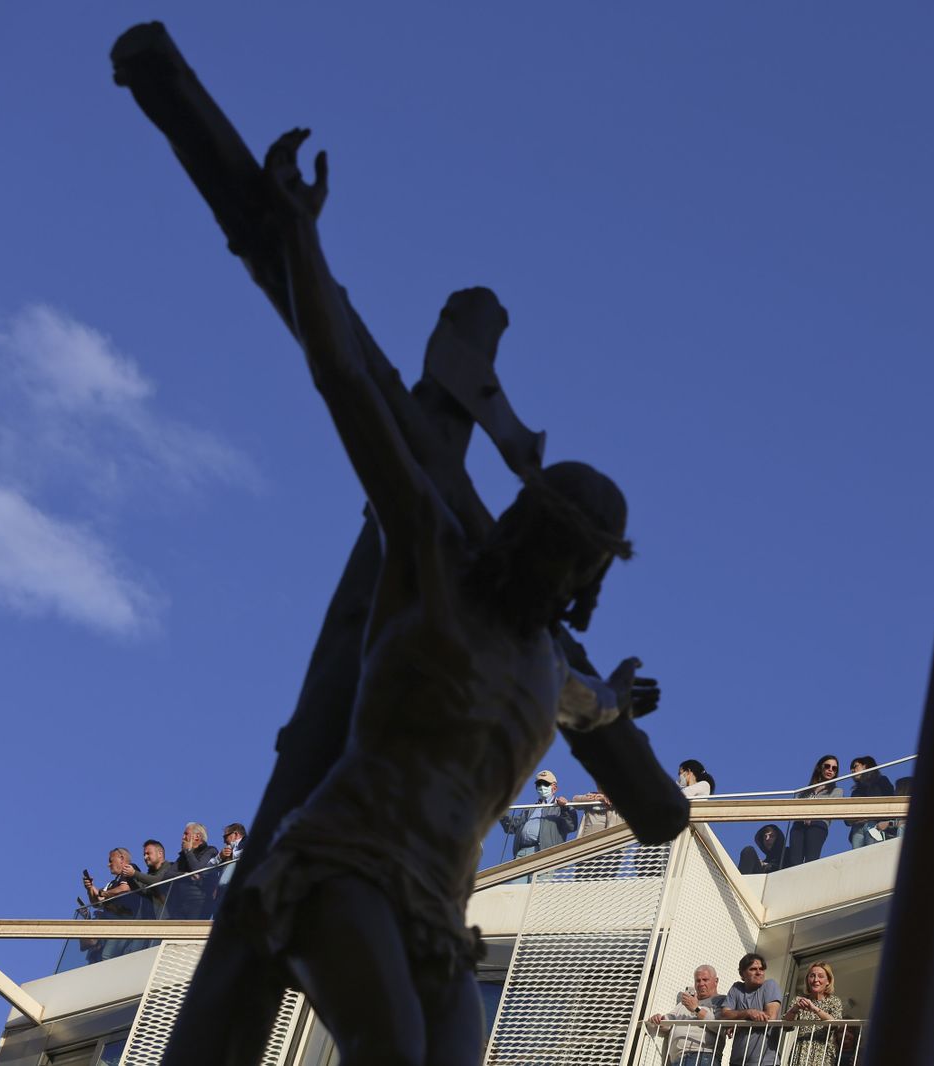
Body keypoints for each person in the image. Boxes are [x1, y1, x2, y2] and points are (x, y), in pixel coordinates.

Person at [225, 132, 652, 1066]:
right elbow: (348, 385)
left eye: (580, 556)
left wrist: (618, 693)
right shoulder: (431, 554)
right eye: (552, 534)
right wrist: (299, 242)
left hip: (439, 912)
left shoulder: (552, 669)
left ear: (591, 578)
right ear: (520, 521)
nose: (560, 561)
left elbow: (597, 705)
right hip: (345, 860)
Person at [647, 964, 725, 1066]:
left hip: (702, 1057)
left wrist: (696, 1009)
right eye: (698, 980)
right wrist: (659, 1020)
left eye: (705, 980)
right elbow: (669, 1021)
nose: (701, 983)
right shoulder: (685, 1002)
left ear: (716, 981)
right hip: (677, 1060)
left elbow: (720, 1027)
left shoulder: (722, 1001)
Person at [500, 770, 581, 859]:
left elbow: (571, 826)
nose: (542, 787)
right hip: (522, 853)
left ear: (554, 788)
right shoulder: (529, 809)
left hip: (545, 854)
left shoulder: (560, 808)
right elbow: (511, 826)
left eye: (545, 784)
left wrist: (565, 808)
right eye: (539, 784)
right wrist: (500, 812)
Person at [720, 953, 783, 1066]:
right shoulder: (737, 988)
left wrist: (737, 1023)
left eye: (761, 969)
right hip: (737, 1060)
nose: (759, 972)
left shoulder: (770, 985)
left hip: (764, 1061)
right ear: (742, 974)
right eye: (753, 969)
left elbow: (769, 1018)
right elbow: (724, 1014)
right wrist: (748, 1013)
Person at [785, 756, 843, 868]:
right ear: (820, 768)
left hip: (818, 824)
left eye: (834, 768)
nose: (830, 769)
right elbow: (794, 807)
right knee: (794, 860)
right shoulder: (804, 792)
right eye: (827, 766)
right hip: (799, 824)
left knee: (811, 859)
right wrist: (804, 816)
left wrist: (812, 815)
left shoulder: (837, 791)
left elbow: (831, 809)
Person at [784, 961, 843, 1066]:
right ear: (807, 980)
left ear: (828, 981)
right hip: (800, 1051)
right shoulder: (799, 1000)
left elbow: (836, 1023)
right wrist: (795, 1009)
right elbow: (786, 1025)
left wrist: (814, 1009)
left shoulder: (834, 1001)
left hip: (823, 1052)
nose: (816, 980)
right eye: (812, 976)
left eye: (821, 976)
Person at [172, 823, 223, 920]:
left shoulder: (210, 851)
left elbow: (198, 869)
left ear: (197, 837)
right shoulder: (182, 857)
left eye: (186, 834)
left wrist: (188, 851)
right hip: (180, 905)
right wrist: (184, 874)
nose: (183, 837)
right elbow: (167, 875)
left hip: (199, 904)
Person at [844, 756, 896, 848]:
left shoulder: (881, 781)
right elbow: (847, 819)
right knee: (856, 856)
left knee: (871, 852)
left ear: (865, 766)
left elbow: (890, 803)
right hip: (858, 828)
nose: (852, 770)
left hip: (875, 825)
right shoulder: (856, 792)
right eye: (851, 769)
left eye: (855, 766)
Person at [122, 839, 179, 917]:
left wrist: (134, 873)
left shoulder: (171, 867)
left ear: (160, 854)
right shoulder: (149, 875)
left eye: (148, 853)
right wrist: (129, 877)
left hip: (170, 920)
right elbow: (141, 891)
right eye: (144, 855)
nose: (145, 857)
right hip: (152, 921)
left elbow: (158, 880)